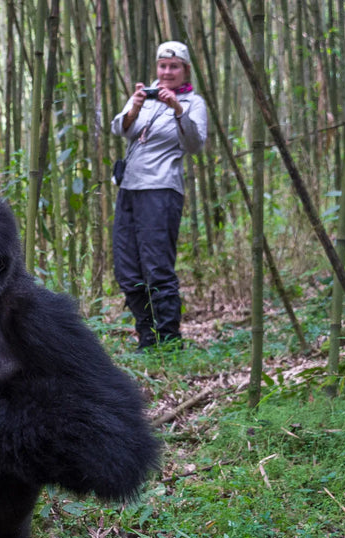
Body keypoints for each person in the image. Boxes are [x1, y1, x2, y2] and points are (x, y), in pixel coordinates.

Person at [111, 40, 207, 349]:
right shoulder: (145, 96)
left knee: (157, 269)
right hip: (129, 189)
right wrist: (136, 105)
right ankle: (147, 337)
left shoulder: (194, 103)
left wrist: (178, 110)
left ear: (185, 70)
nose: (167, 72)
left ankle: (169, 340)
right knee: (127, 269)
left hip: (161, 190)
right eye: (163, 66)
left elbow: (194, 144)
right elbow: (121, 128)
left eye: (174, 66)